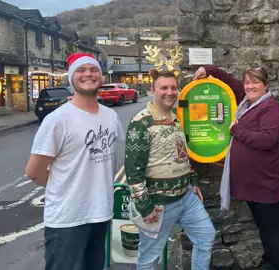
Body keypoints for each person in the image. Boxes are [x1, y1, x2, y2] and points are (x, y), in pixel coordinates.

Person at [25, 53, 124, 270]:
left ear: (101, 76)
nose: (88, 74)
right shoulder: (58, 120)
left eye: (93, 69)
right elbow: (34, 171)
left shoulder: (111, 116)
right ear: (71, 78)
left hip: (101, 214)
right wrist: (67, 188)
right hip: (67, 221)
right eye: (81, 70)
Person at [125, 48, 215, 270]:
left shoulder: (175, 119)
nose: (170, 92)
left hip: (186, 198)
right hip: (159, 204)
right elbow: (133, 170)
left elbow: (181, 155)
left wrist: (193, 181)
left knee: (206, 237)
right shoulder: (141, 122)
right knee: (149, 258)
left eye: (173, 88)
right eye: (164, 88)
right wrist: (144, 206)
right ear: (153, 89)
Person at [193, 66, 279, 270]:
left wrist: (237, 129)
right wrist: (208, 69)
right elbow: (230, 80)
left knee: (274, 228)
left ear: (265, 85)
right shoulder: (248, 102)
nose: (250, 86)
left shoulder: (271, 108)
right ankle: (269, 259)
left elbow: (267, 139)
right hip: (254, 184)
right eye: (247, 82)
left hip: (267, 182)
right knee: (263, 226)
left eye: (255, 82)